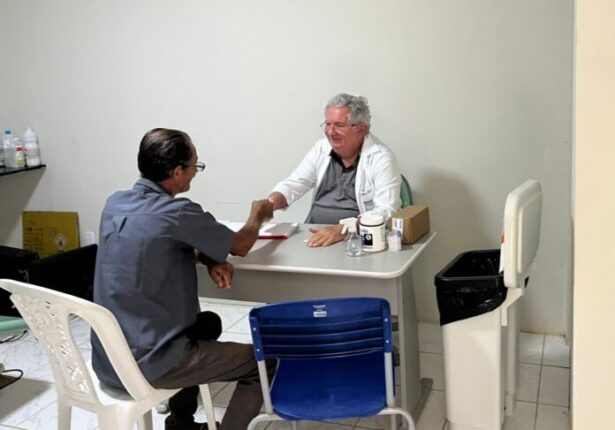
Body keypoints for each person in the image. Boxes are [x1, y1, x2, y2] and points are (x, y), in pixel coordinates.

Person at [91, 128, 274, 430]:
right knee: (262, 364)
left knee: (208, 324)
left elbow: (157, 244)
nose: (195, 173)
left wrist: (211, 258)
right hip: (149, 363)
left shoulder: (115, 204)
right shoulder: (177, 212)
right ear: (177, 172)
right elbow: (241, 245)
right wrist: (257, 215)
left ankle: (180, 424)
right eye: (194, 166)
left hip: (109, 359)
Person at [268, 93, 401, 247]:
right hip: (314, 235)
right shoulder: (321, 148)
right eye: (327, 124)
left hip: (354, 241)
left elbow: (387, 210)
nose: (330, 132)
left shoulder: (381, 158)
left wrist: (345, 228)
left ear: (361, 129)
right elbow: (295, 183)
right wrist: (269, 204)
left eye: (339, 125)